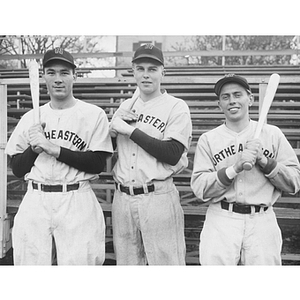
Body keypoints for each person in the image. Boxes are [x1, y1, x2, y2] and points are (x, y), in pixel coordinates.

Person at [5, 47, 113, 265]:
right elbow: (17, 169)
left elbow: (97, 164)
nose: (58, 79)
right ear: (43, 76)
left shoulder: (93, 115)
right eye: (51, 72)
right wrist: (33, 150)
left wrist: (53, 149)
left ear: (75, 75)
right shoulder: (31, 118)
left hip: (76, 198)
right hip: (36, 198)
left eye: (64, 72)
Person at [191, 74, 300, 265]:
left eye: (237, 94)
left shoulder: (272, 134)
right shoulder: (209, 139)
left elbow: (294, 182)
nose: (232, 100)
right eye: (225, 97)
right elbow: (200, 188)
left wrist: (265, 161)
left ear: (250, 99)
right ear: (219, 105)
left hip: (261, 220)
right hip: (221, 219)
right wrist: (234, 169)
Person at [109, 44, 192, 265]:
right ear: (133, 71)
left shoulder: (176, 106)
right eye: (141, 68)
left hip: (158, 198)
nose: (146, 74)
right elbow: (106, 153)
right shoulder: (125, 106)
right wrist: (111, 131)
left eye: (153, 69)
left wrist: (129, 130)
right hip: (123, 198)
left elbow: (172, 153)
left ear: (163, 72)